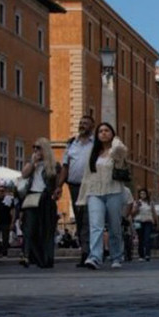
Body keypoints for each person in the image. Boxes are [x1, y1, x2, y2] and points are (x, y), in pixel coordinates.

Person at [76, 123, 127, 270]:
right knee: (96, 226)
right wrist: (82, 197)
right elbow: (86, 175)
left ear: (112, 133)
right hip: (94, 192)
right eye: (100, 131)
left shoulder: (117, 150)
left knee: (114, 226)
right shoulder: (94, 153)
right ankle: (95, 257)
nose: (103, 133)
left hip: (114, 191)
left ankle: (116, 256)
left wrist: (116, 140)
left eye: (107, 131)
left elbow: (121, 151)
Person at [57, 114, 94, 266]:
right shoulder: (71, 144)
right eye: (81, 123)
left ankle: (90, 252)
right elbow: (65, 166)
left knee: (88, 218)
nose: (82, 125)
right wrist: (59, 186)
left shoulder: (95, 144)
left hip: (91, 186)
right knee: (79, 218)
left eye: (85, 123)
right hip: (74, 186)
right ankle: (85, 251)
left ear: (92, 126)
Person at [19, 138, 61, 268]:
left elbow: (57, 184)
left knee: (46, 230)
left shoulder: (54, 165)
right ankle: (27, 256)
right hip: (32, 196)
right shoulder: (31, 162)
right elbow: (24, 174)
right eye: (34, 148)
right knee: (29, 228)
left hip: (46, 198)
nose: (36, 151)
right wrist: (33, 163)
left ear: (45, 149)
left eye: (39, 148)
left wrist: (57, 192)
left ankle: (46, 259)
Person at [131, 188, 158, 262]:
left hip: (148, 221)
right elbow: (133, 213)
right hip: (139, 221)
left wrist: (156, 222)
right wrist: (137, 208)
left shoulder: (150, 203)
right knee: (140, 238)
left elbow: (154, 212)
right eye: (141, 194)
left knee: (147, 238)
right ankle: (141, 255)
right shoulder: (137, 202)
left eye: (144, 194)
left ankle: (147, 254)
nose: (142, 195)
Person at [0, 186, 14, 257]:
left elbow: (12, 211)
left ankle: (4, 252)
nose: (1, 193)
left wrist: (12, 222)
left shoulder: (8, 200)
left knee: (5, 238)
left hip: (6, 221)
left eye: (2, 191)